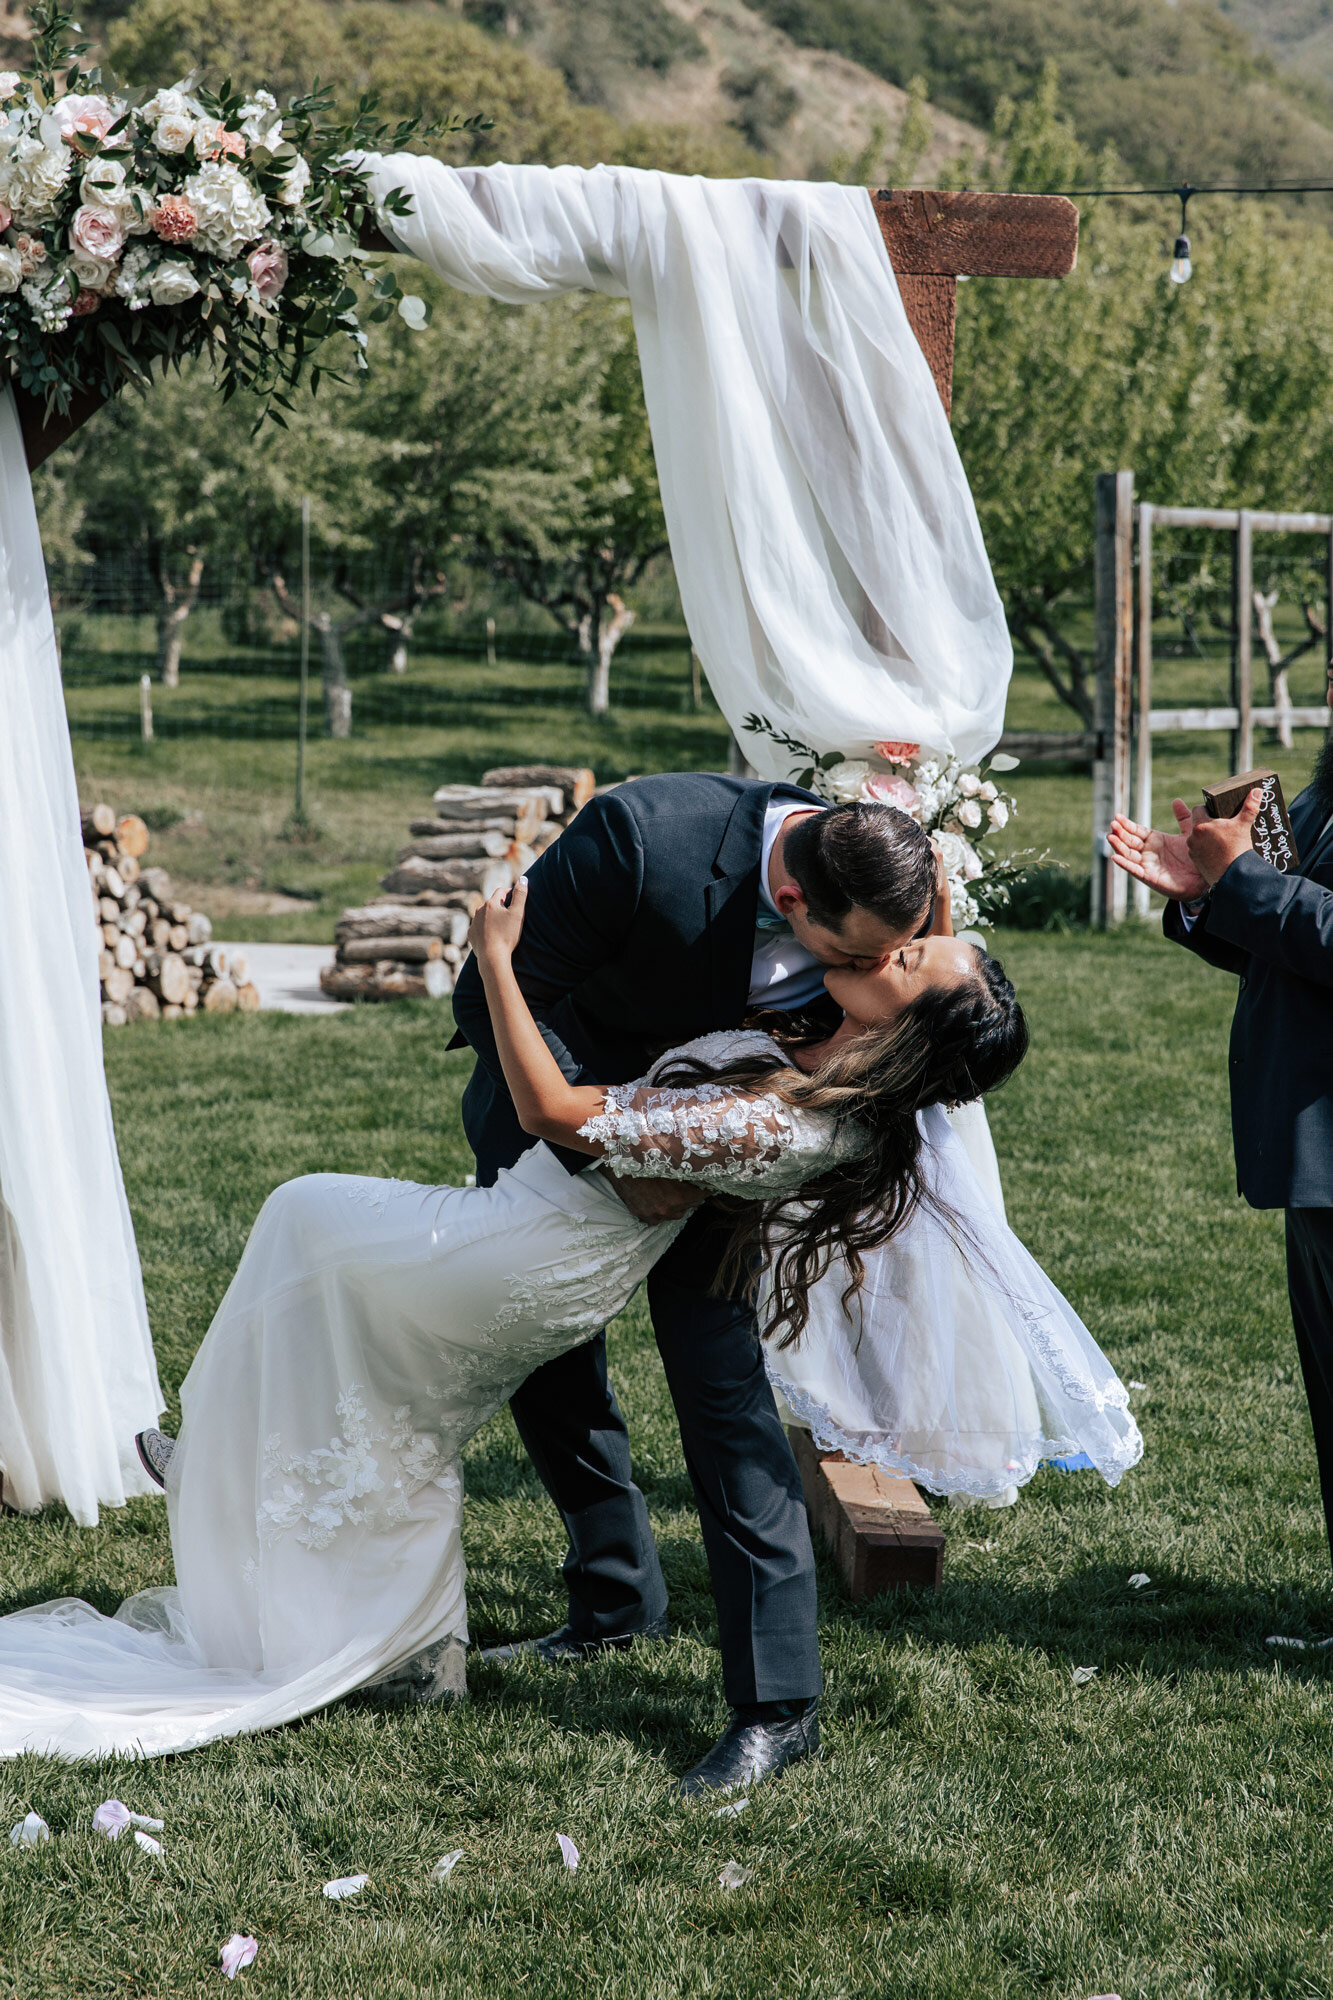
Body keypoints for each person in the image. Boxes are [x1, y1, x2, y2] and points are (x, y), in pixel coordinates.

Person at [0, 867, 1046, 1771]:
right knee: (382, 1383)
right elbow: (925, 951)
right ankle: (352, 1587)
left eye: (911, 959)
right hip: (542, 1230)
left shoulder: (778, 1121)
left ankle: (238, 1470)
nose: (899, 945)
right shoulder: (837, 1064)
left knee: (303, 1217)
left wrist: (495, 956)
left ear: (904, 1031)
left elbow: (554, 1110)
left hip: (530, 1250)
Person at [448, 773, 940, 1794]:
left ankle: (777, 1703)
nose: (857, 976)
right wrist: (621, 1150)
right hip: (570, 1131)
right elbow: (494, 991)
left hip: (730, 1153)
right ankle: (613, 1599)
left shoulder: (875, 870)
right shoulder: (639, 837)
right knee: (545, 1354)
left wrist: (720, 1145)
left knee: (721, 1392)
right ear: (795, 901)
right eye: (846, 956)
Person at [1109, 729, 1333, 1575]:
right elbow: (1284, 939)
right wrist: (1206, 894)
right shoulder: (1318, 799)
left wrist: (1245, 879)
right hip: (1312, 1151)